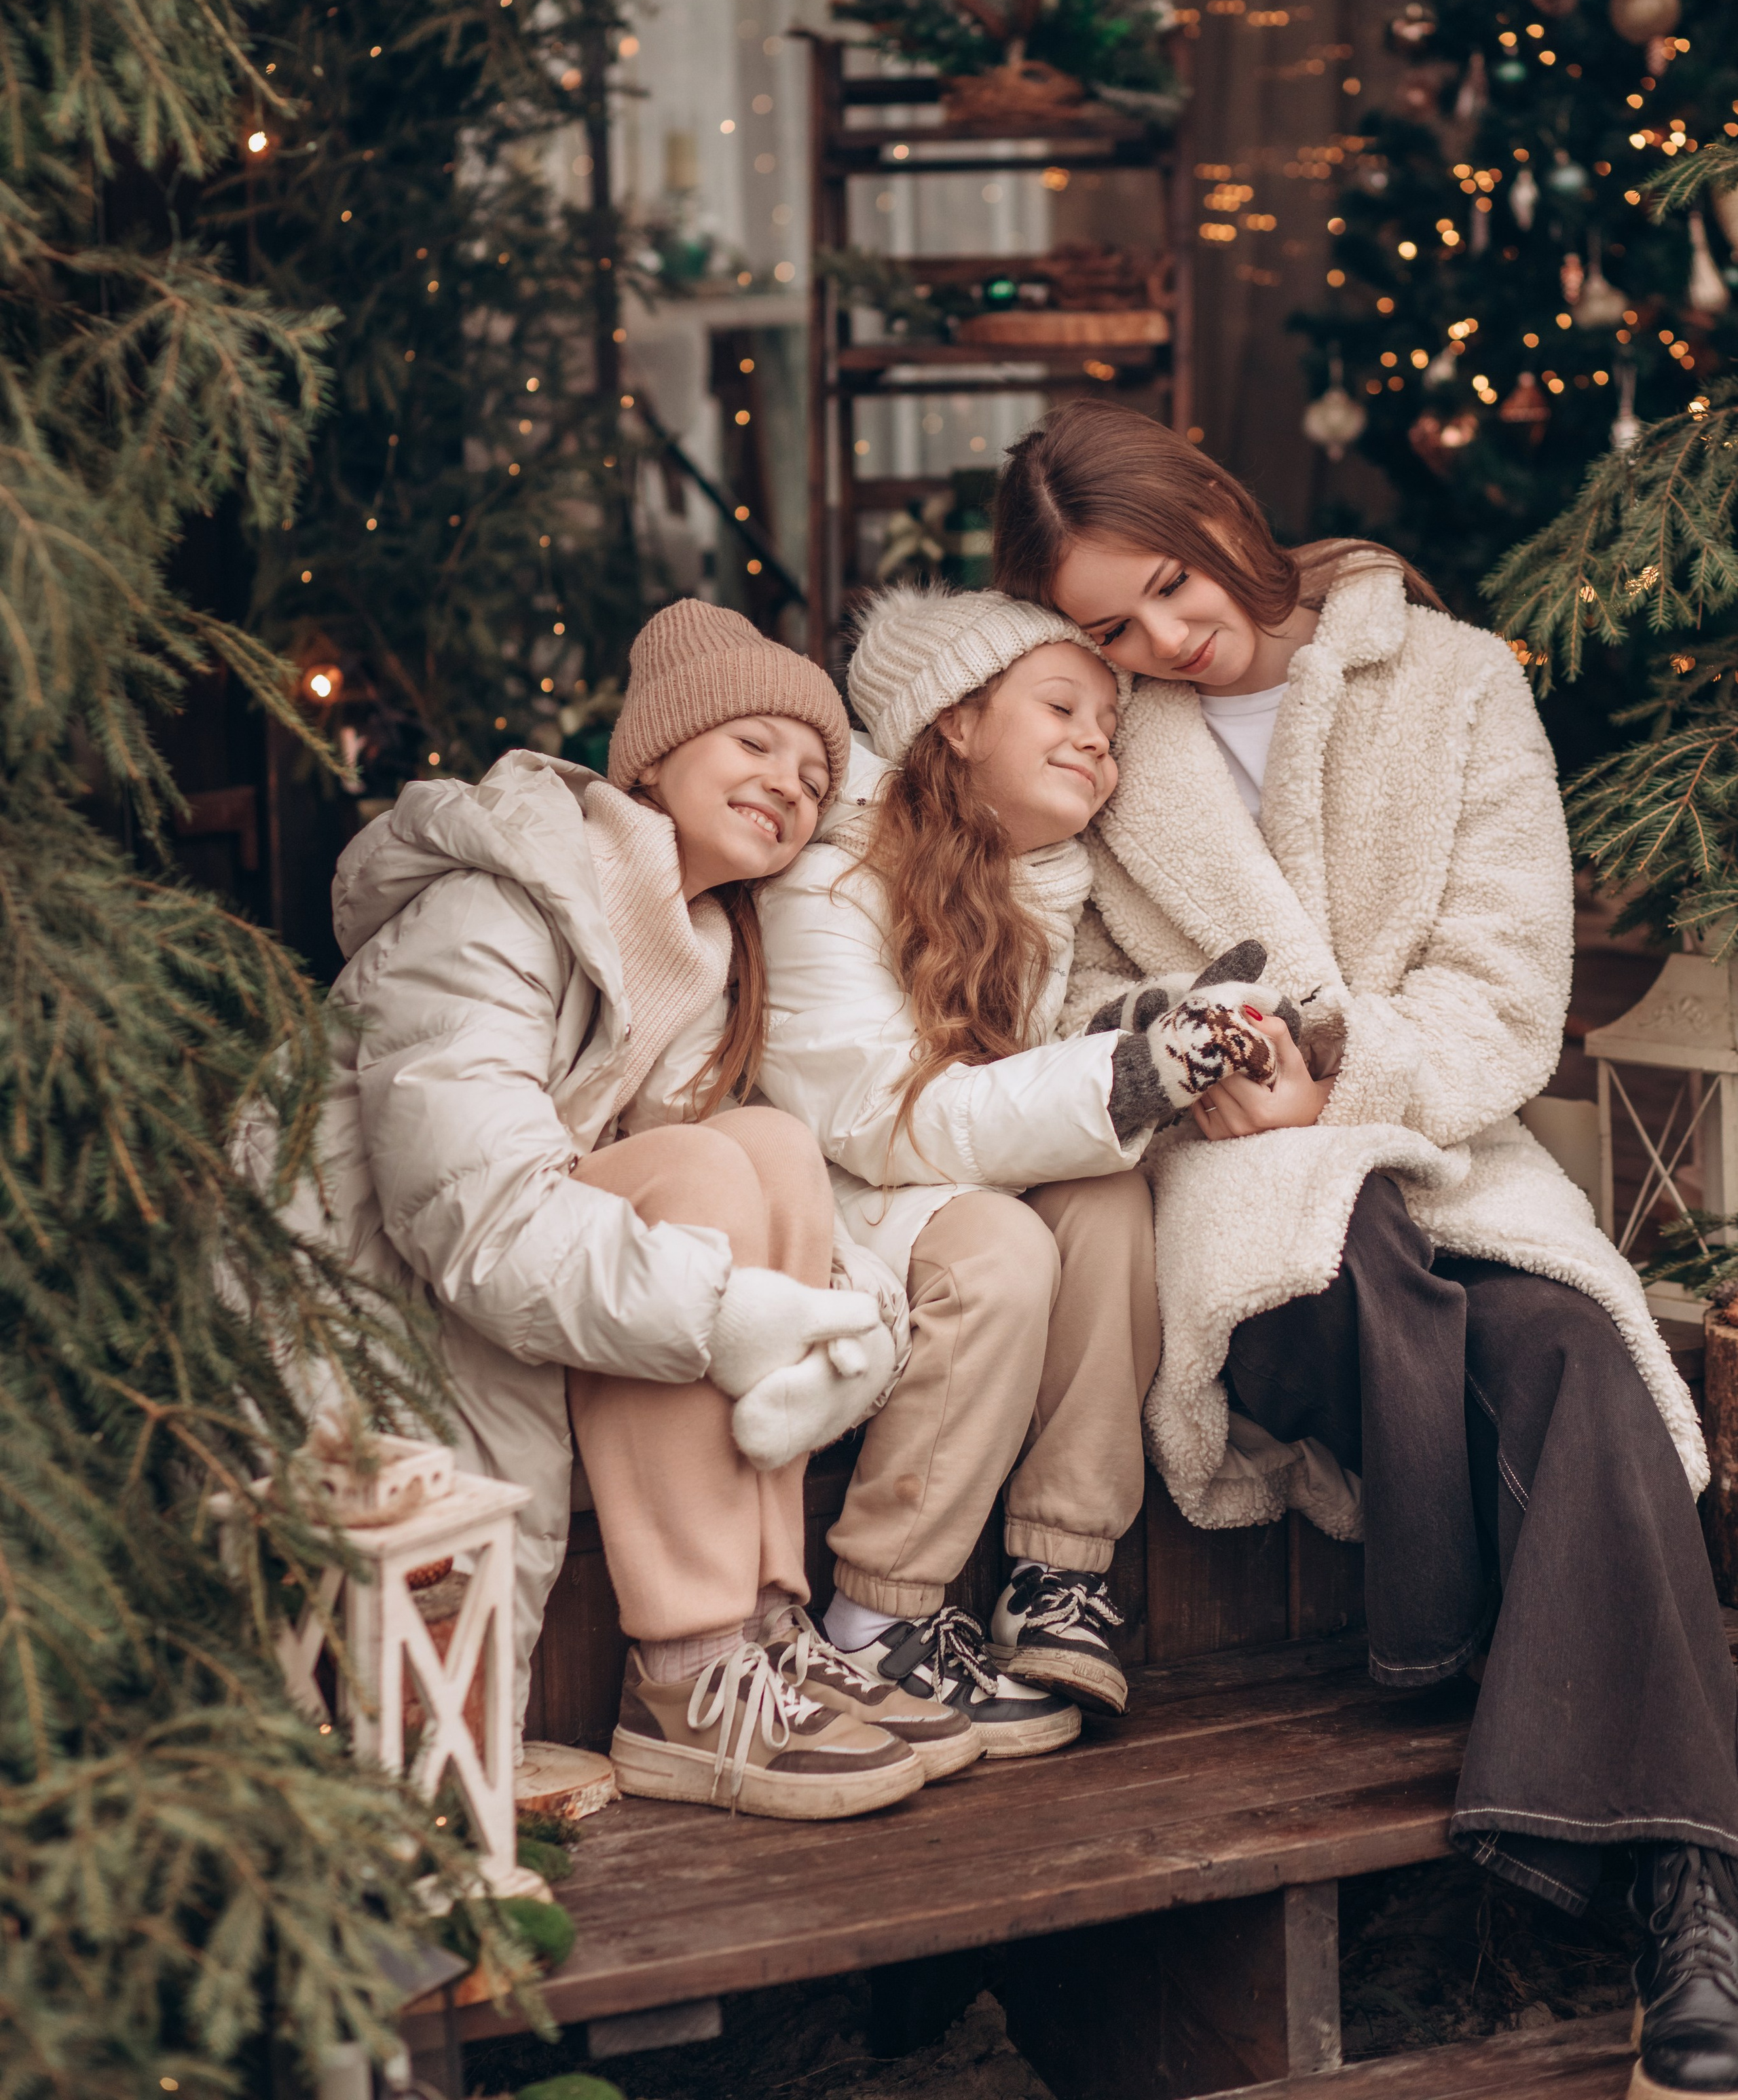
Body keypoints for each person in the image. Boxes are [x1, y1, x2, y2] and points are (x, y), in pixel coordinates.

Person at [995, 398, 1738, 2100]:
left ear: (1212, 505)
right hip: (1233, 1189)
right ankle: (1641, 1849)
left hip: (1441, 1145)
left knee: (1576, 1350)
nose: (1162, 641)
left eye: (1170, 590)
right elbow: (1044, 988)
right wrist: (1191, 1061)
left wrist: (1332, 1074)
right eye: (1108, 628)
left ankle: (1688, 1901)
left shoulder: (1457, 684)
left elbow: (1503, 992)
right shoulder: (1099, 735)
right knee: (1338, 1269)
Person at [261, 599, 974, 1822]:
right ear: (654, 753)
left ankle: (763, 1631)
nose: (789, 788)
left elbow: (746, 1186)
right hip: (359, 1297)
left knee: (764, 1145)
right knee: (700, 1177)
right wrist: (721, 1311)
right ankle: (690, 1676)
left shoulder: (695, 949)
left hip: (507, 1275)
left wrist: (849, 1312)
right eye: (753, 744)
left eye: (814, 777)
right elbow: (476, 1218)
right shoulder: (494, 908)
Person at [755, 584, 1279, 1759]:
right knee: (1001, 1241)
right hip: (834, 1197)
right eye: (1062, 705)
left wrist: (1168, 1033)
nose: (1098, 739)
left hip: (937, 1189)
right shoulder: (831, 877)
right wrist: (1136, 1073)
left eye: (1109, 724)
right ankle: (875, 1616)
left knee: (1101, 1196)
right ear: (951, 720)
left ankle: (1059, 1569)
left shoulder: (1030, 896)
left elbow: (1028, 1088)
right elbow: (879, 1118)